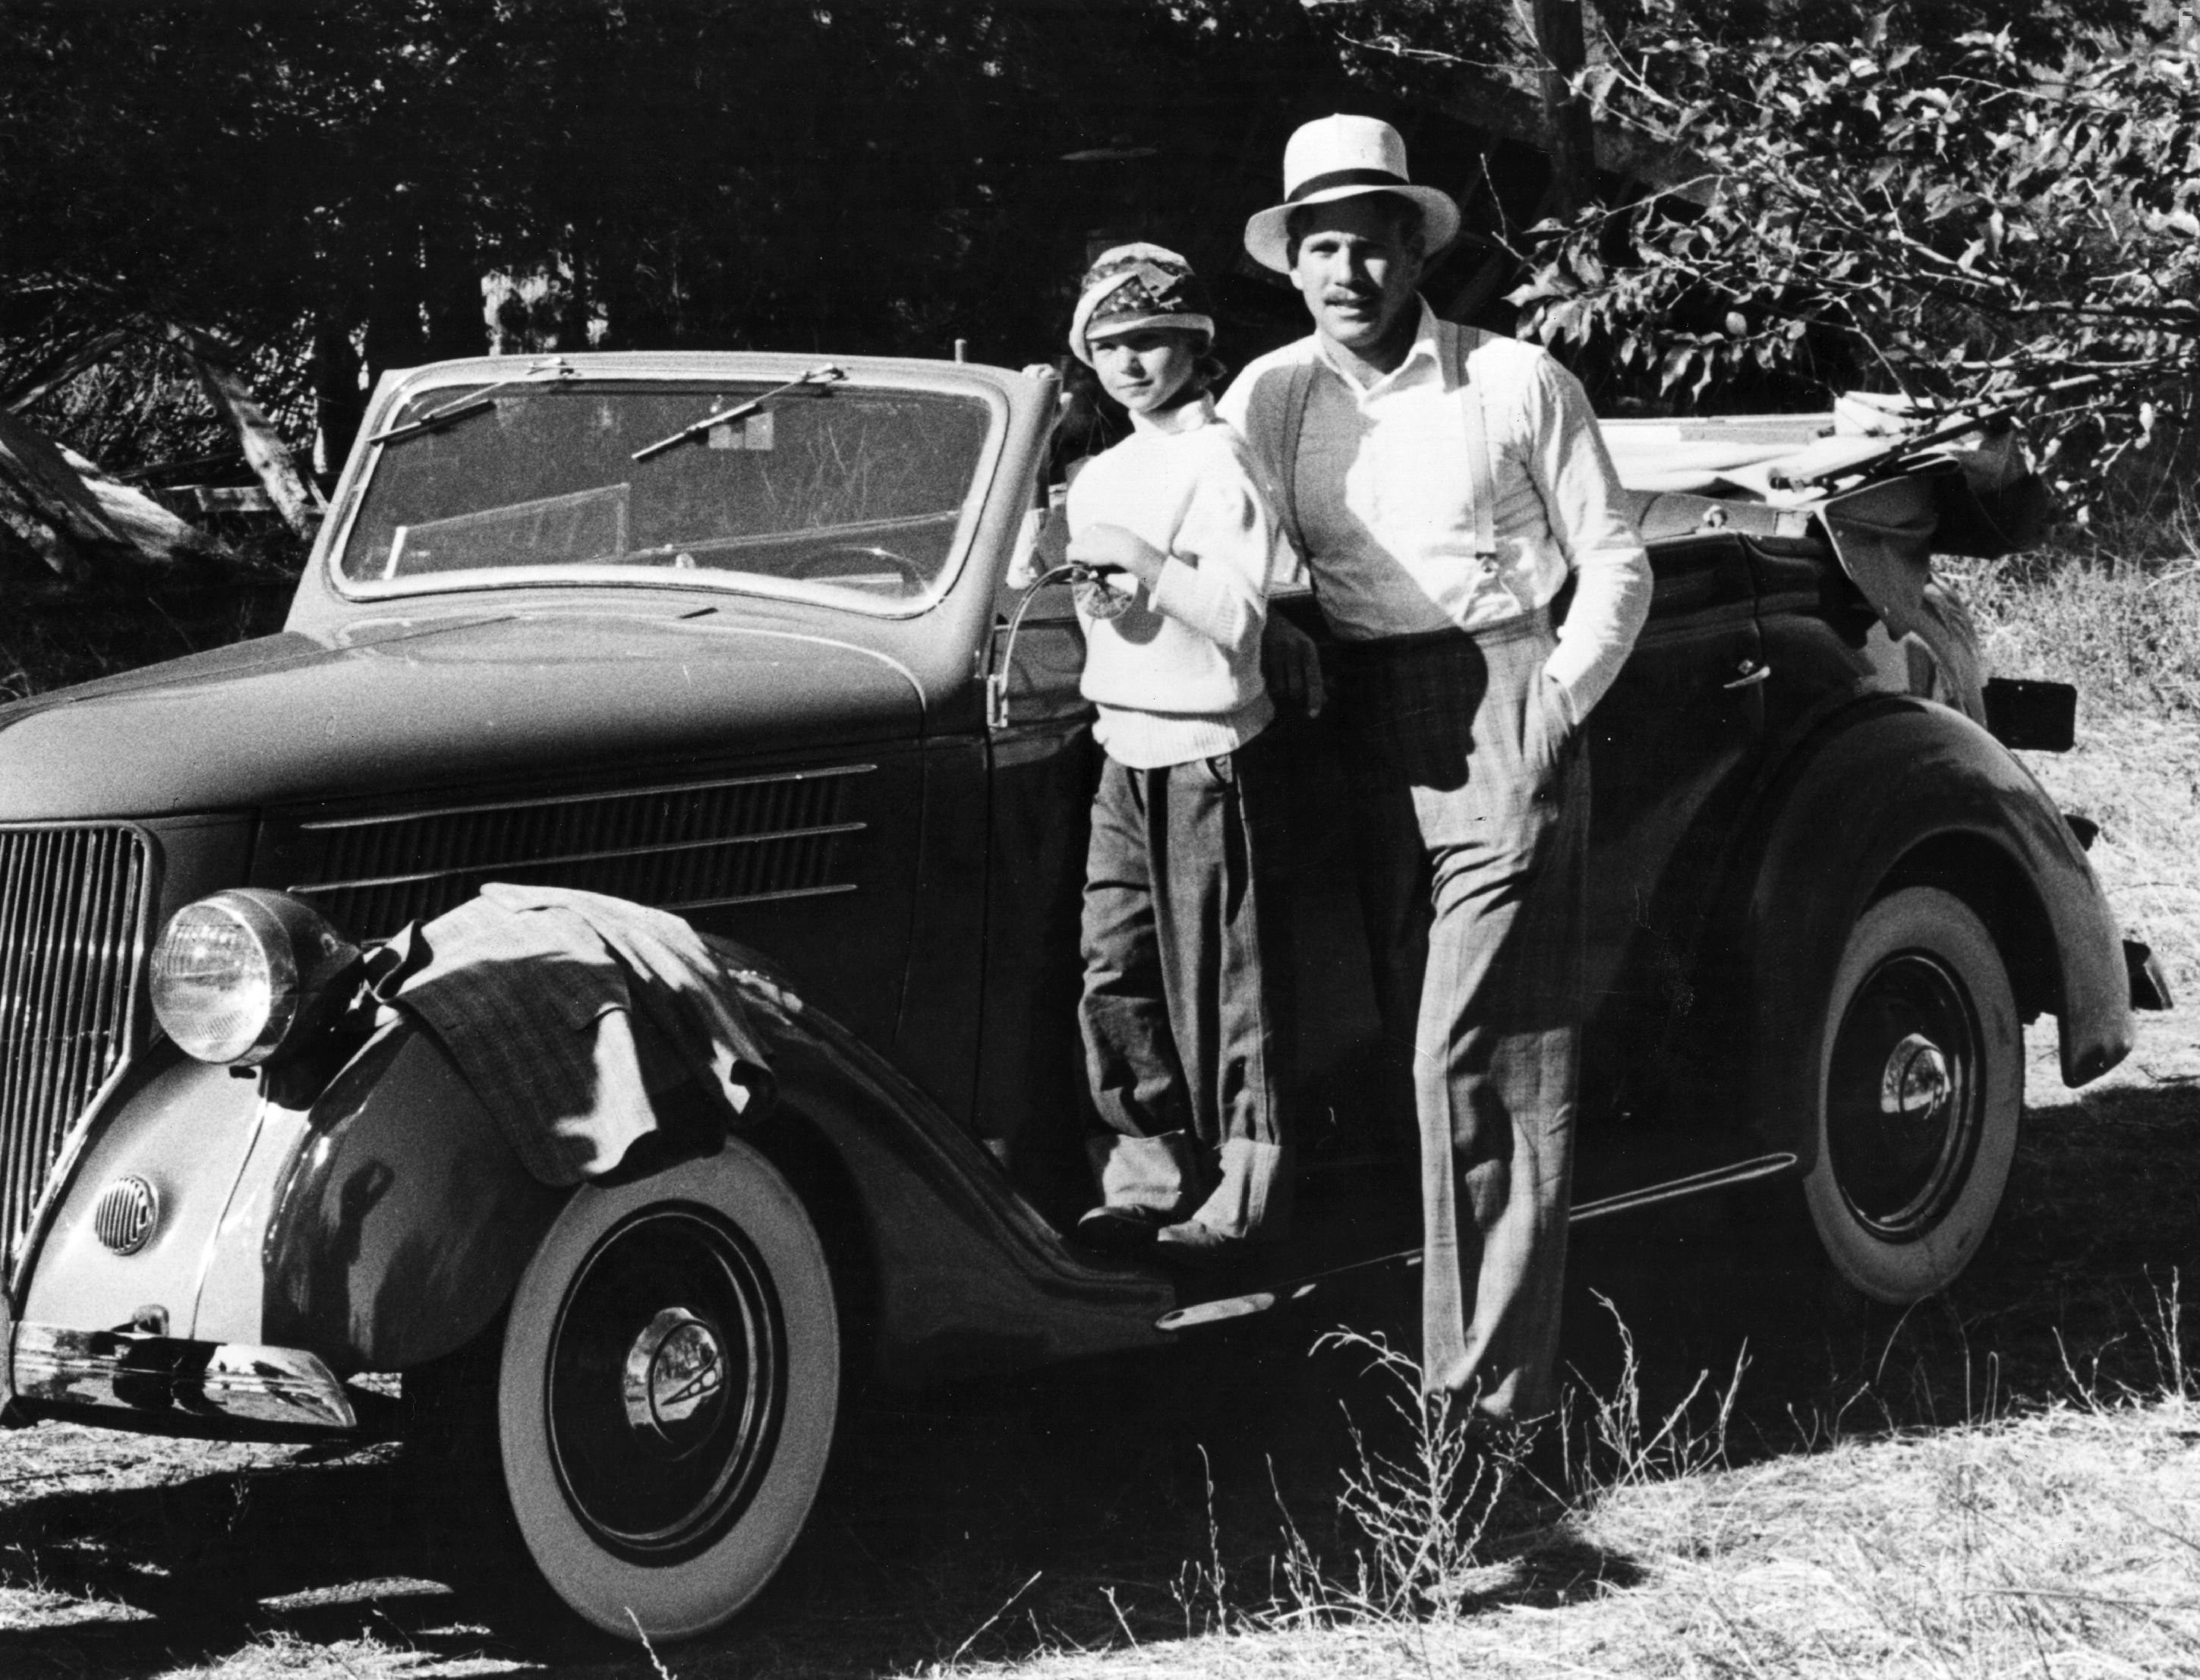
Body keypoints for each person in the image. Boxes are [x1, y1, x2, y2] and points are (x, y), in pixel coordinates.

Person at [1218, 116, 1652, 1418]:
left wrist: (1557, 701)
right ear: (1292, 265)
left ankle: (1481, 1415)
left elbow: (1614, 556)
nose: (1345, 272)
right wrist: (1279, 629)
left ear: (1415, 252)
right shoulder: (1270, 393)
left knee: (1476, 1061)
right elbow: (1219, 538)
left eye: (1370, 243)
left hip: (1503, 701)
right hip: (1354, 721)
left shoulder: (1514, 380)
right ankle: (1400, 1349)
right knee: (1374, 1049)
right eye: (1321, 248)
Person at [1061, 243, 1295, 1267]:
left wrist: (1148, 562)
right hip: (1124, 746)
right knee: (1116, 963)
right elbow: (1107, 620)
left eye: (1149, 338)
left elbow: (1237, 619)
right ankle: (1147, 1173)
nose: (1127, 361)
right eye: (1106, 344)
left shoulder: (1219, 458)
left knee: (1222, 979)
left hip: (1207, 750)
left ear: (1197, 347)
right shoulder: (1100, 473)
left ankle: (1244, 1192)